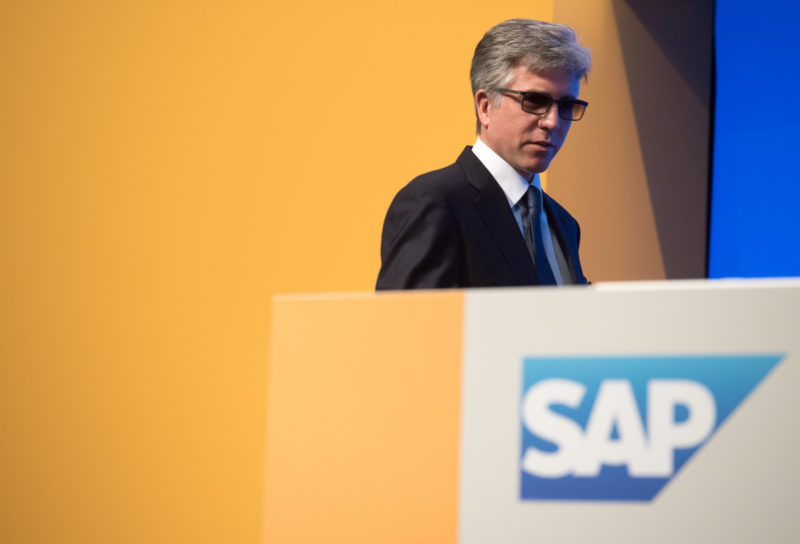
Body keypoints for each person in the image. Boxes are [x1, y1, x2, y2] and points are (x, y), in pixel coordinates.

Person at [375, 18, 591, 290]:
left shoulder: (564, 223)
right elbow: (406, 328)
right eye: (535, 101)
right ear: (485, 106)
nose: (552, 122)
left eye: (567, 105)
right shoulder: (435, 202)